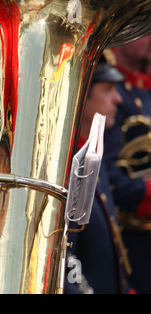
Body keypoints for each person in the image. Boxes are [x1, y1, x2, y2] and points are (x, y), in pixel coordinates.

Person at [65, 53, 134, 293]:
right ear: (82, 94)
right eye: (107, 89)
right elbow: (64, 261)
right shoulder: (65, 166)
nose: (117, 99)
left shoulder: (93, 153)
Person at [103, 35, 151, 294]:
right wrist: (147, 193)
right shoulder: (109, 91)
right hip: (130, 235)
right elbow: (105, 173)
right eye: (145, 28)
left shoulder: (142, 88)